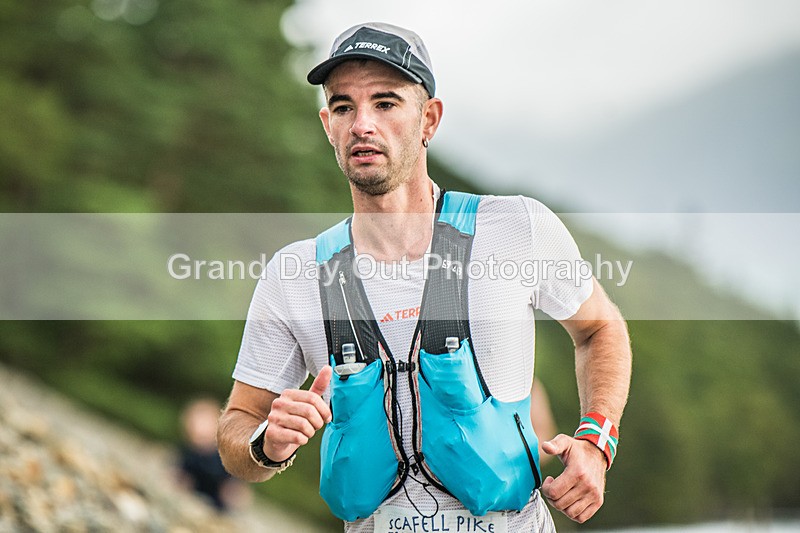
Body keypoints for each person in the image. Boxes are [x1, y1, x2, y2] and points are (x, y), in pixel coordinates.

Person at [218, 22, 632, 532]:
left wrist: (596, 441)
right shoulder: (295, 275)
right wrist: (265, 443)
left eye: (386, 103)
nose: (362, 124)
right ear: (327, 124)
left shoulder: (515, 227)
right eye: (344, 106)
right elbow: (236, 429)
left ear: (429, 119)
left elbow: (600, 328)